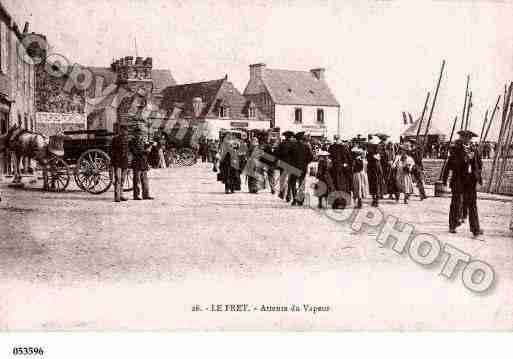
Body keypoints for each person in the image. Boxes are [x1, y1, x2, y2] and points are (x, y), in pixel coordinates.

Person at [442, 130, 483, 237]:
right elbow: (451, 165)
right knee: (456, 203)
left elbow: (479, 165)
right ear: (461, 138)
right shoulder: (455, 150)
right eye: (464, 137)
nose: (467, 139)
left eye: (469, 138)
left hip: (470, 181)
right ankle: (452, 225)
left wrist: (479, 179)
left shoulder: (475, 150)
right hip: (458, 180)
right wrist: (465, 159)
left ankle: (475, 229)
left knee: (472, 204)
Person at [288, 131, 313, 206]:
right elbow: (311, 157)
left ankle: (294, 199)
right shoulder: (306, 146)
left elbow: (289, 157)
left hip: (294, 167)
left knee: (292, 183)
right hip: (303, 168)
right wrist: (306, 163)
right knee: (301, 183)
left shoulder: (292, 146)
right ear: (302, 138)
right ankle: (300, 200)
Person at [129, 126, 154, 200]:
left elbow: (149, 149)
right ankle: (136, 195)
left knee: (145, 180)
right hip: (136, 162)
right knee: (137, 180)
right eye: (137, 133)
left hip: (143, 162)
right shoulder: (131, 142)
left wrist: (150, 146)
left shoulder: (143, 141)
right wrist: (146, 151)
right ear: (134, 134)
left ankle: (146, 195)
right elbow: (135, 152)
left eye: (140, 134)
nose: (139, 135)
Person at [328, 135, 353, 208]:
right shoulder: (343, 147)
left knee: (335, 186)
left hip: (336, 170)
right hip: (341, 170)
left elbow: (329, 158)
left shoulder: (332, 147)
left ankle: (336, 203)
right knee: (341, 186)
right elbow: (348, 159)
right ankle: (341, 203)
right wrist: (346, 165)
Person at [111, 124, 129, 202]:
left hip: (124, 162)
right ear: (121, 131)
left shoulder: (127, 140)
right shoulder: (115, 139)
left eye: (126, 131)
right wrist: (113, 161)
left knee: (122, 179)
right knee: (118, 179)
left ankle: (121, 195)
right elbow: (112, 151)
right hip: (117, 162)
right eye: (124, 130)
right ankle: (117, 196)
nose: (125, 132)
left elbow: (128, 151)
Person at [276, 131, 295, 201]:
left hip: (283, 163)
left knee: (282, 179)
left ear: (285, 137)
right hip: (291, 164)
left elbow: (277, 153)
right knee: (290, 180)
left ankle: (282, 193)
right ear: (291, 137)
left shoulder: (282, 144)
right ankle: (289, 195)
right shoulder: (294, 144)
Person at [366, 135, 383, 207]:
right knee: (375, 183)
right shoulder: (375, 153)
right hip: (374, 168)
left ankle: (375, 200)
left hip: (373, 168)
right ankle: (375, 200)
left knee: (374, 184)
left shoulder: (371, 152)